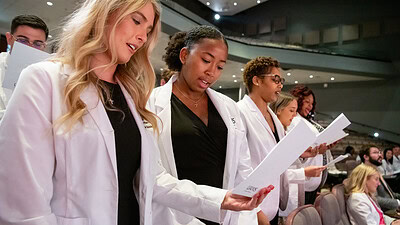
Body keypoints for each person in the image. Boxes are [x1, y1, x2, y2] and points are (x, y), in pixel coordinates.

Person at [0, 1, 272, 225]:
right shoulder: (44, 80)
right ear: (105, 13)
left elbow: (154, 179)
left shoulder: (130, 96)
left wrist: (221, 199)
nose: (143, 36)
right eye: (137, 20)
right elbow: (22, 206)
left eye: (149, 28)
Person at [147, 26, 273, 225]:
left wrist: (253, 210)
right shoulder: (151, 105)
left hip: (226, 213)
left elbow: (242, 168)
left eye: (220, 66)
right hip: (176, 215)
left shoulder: (228, 107)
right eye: (206, 60)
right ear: (184, 55)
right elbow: (152, 175)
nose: (211, 72)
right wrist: (219, 200)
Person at [269, 92, 326, 218]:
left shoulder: (282, 132)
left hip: (289, 194)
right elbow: (272, 173)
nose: (295, 115)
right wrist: (304, 173)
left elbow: (287, 162)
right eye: (291, 111)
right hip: (273, 199)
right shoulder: (272, 135)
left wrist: (304, 154)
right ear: (278, 110)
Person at [288, 85, 336, 204]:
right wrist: (317, 149)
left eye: (312, 103)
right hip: (303, 179)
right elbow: (295, 151)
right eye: (307, 102)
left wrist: (328, 145)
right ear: (298, 101)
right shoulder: (293, 121)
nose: (310, 106)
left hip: (314, 181)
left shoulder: (309, 121)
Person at [0, 14, 49, 120]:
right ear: (9, 39)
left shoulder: (48, 75)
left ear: (44, 46)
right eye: (22, 40)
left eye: (37, 44)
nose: (29, 48)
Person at [360, 145, 400, 213]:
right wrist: (398, 203)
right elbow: (374, 198)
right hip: (385, 211)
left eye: (379, 152)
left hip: (392, 207)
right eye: (375, 153)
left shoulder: (376, 170)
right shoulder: (364, 173)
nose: (380, 155)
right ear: (366, 157)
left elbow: (390, 193)